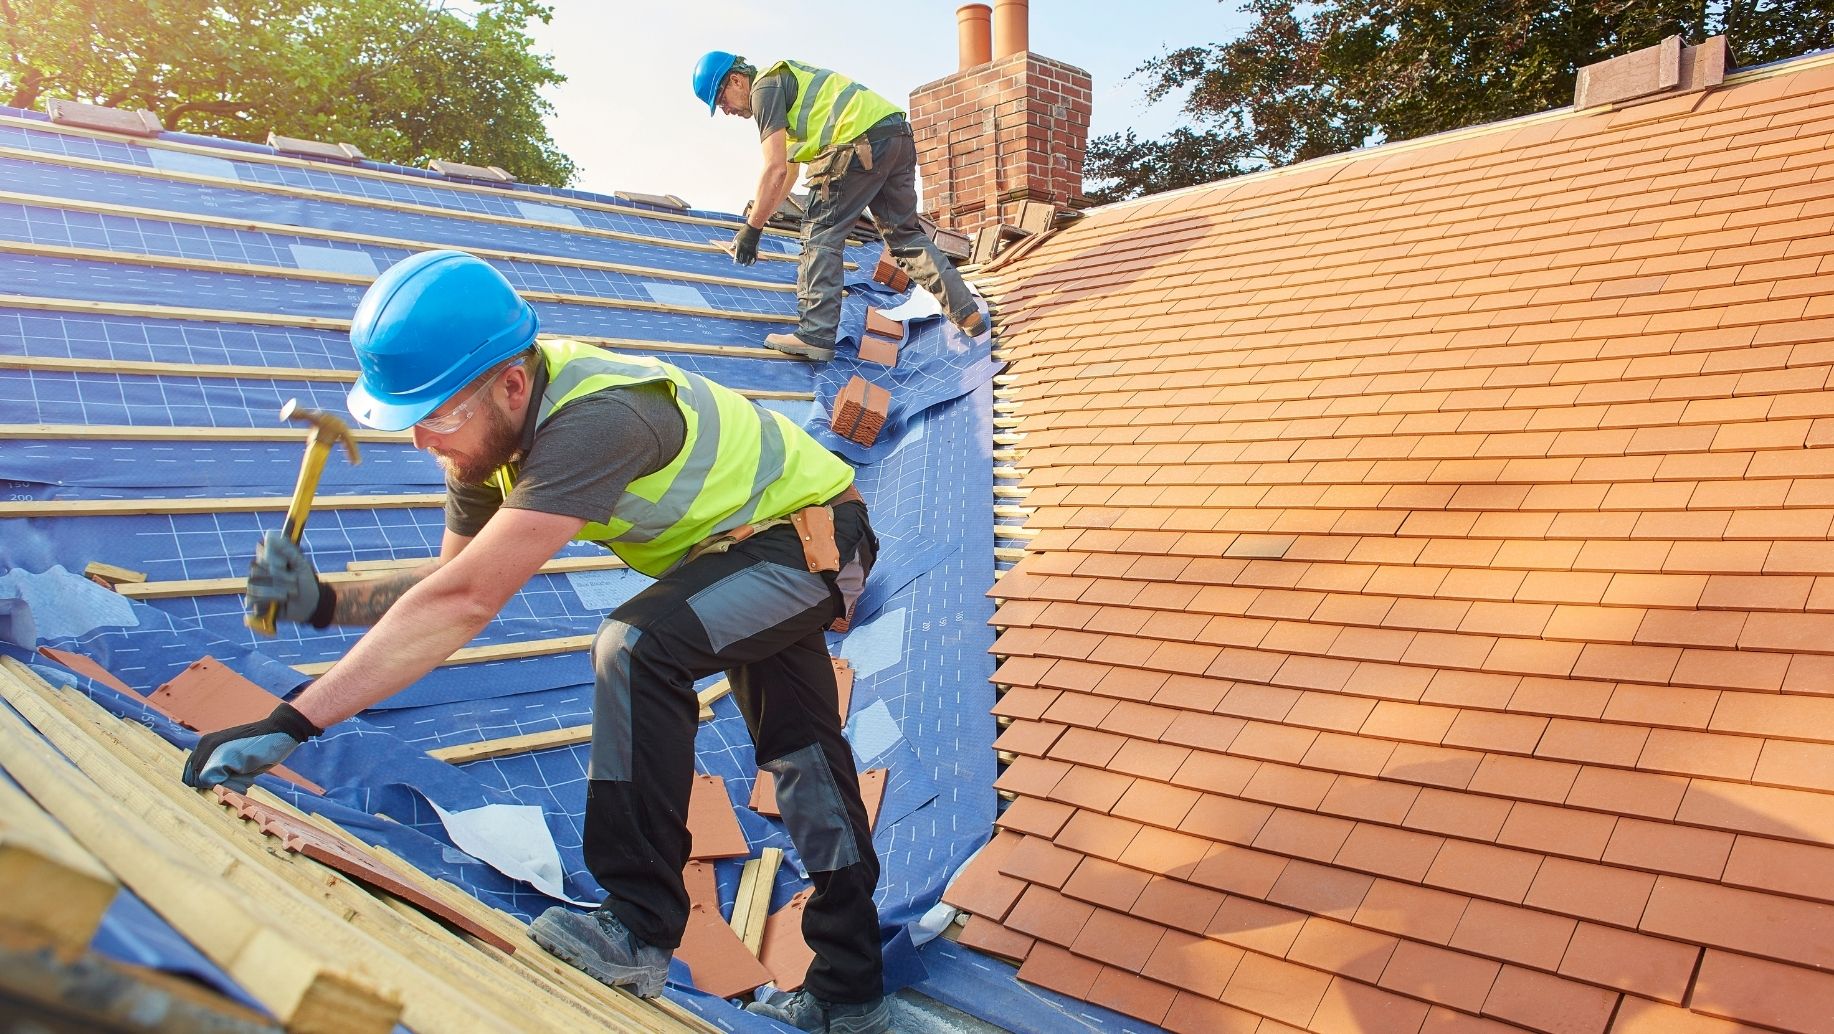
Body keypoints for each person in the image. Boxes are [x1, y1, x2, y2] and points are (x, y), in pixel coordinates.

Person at [181, 250, 891, 1034]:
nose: (423, 440)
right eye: (409, 418)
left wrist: (292, 722)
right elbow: (450, 587)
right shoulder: (482, 443)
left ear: (512, 385)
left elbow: (463, 603)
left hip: (814, 539)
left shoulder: (598, 421)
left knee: (636, 647)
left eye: (438, 415)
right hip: (741, 554)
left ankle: (638, 925)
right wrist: (326, 601)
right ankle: (850, 992)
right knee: (804, 760)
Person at [693, 50, 985, 362]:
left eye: (721, 100)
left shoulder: (764, 90)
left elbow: (773, 167)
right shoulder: (788, 91)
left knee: (820, 234)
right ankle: (967, 313)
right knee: (905, 238)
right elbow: (787, 173)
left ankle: (814, 334)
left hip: (856, 143)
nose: (725, 111)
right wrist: (758, 223)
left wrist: (751, 231)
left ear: (736, 80)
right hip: (895, 136)